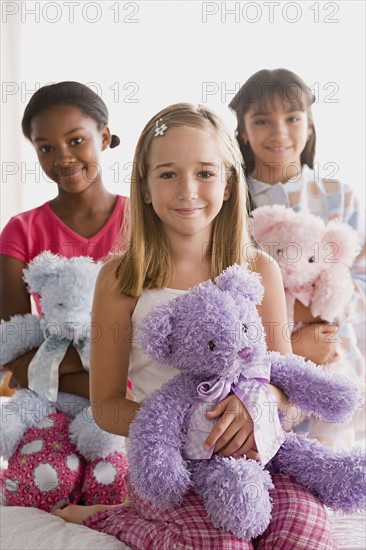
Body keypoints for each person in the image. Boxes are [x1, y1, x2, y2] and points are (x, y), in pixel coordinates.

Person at [54, 103, 336, 549]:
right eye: (168, 174)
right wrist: (190, 426)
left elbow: (290, 392)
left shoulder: (259, 269)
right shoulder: (121, 278)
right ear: (144, 188)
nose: (188, 190)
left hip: (259, 458)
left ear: (227, 184)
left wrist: (257, 405)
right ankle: (117, 517)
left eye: (205, 173)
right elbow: (106, 405)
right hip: (171, 468)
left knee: (304, 530)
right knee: (220, 543)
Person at [229, 68, 365, 447]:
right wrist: (287, 335)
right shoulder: (229, 201)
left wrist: (318, 313)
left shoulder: (340, 197)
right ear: (242, 130)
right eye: (262, 120)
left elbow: (361, 276)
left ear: (308, 125)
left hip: (331, 354)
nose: (279, 132)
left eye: (292, 118)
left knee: (326, 459)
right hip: (256, 357)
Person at [0, 81, 128, 398]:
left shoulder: (144, 221)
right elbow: (13, 352)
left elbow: (151, 343)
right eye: (46, 148)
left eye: (76, 140)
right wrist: (109, 388)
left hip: (130, 403)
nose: (63, 157)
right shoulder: (21, 231)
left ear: (104, 137)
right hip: (57, 405)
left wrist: (51, 366)